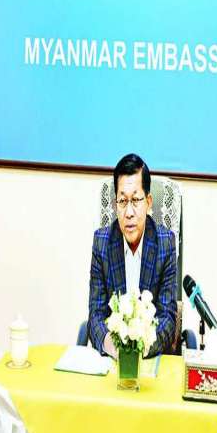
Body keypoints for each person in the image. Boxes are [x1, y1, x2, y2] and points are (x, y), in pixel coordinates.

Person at [88, 153, 177, 358]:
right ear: (115, 204)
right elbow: (95, 316)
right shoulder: (102, 243)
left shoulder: (165, 243)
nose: (129, 212)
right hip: (113, 359)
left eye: (135, 200)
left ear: (148, 202)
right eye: (122, 201)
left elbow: (167, 319)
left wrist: (140, 347)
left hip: (150, 357)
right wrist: (114, 347)